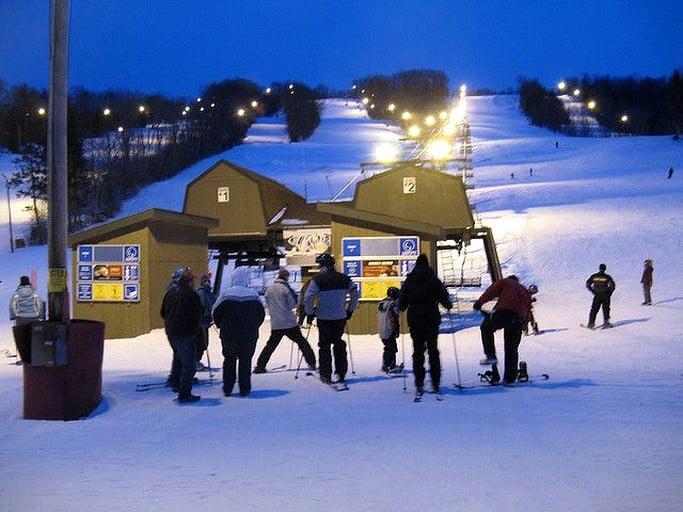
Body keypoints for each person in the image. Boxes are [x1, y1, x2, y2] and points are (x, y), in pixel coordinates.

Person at [398, 254, 453, 397]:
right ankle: (435, 382)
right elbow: (444, 298)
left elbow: (402, 301)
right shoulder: (433, 279)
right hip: (431, 317)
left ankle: (419, 383)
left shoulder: (410, 280)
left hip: (415, 318)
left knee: (418, 351)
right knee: (433, 350)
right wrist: (448, 305)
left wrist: (401, 308)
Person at [304, 253, 359, 386]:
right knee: (338, 344)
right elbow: (355, 294)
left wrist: (310, 312)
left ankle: (325, 374)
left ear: (322, 265)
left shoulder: (317, 279)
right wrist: (350, 310)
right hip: (340, 317)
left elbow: (308, 297)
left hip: (323, 317)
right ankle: (341, 373)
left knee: (324, 346)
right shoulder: (344, 278)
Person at [213, 266, 265, 397]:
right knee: (246, 360)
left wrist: (221, 325)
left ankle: (228, 388)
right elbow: (261, 314)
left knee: (229, 360)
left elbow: (216, 312)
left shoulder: (226, 294)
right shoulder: (253, 295)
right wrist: (254, 326)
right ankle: (245, 388)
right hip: (249, 335)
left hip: (229, 334)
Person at [473, 275, 533, 385]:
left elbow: (491, 291)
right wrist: (524, 326)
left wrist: (479, 303)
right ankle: (509, 379)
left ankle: (491, 355)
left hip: (504, 313)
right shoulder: (524, 290)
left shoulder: (506, 282)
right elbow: (528, 310)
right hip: (518, 320)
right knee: (511, 348)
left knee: (486, 327)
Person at [254, 269, 316, 373]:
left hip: (276, 322)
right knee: (302, 342)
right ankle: (312, 362)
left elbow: (267, 303)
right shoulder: (285, 288)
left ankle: (260, 365)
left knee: (270, 345)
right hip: (288, 322)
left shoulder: (269, 289)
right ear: (286, 277)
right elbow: (293, 304)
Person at [160, 268, 203, 403]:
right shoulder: (192, 295)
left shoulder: (171, 292)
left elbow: (162, 312)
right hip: (185, 333)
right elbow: (197, 314)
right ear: (189, 281)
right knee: (189, 364)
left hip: (171, 331)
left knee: (178, 357)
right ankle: (184, 393)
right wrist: (194, 330)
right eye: (192, 280)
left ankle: (175, 381)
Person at [377, 286, 402, 373]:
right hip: (389, 328)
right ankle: (389, 365)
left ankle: (387, 364)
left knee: (388, 347)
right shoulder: (392, 305)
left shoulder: (381, 303)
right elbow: (394, 318)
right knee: (392, 348)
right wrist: (396, 329)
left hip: (381, 329)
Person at [195, 273, 216, 370]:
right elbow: (201, 306)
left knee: (204, 342)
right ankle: (195, 361)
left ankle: (196, 360)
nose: (207, 283)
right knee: (201, 342)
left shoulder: (209, 293)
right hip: (200, 321)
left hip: (206, 321)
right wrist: (204, 315)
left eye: (208, 281)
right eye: (205, 281)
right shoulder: (201, 293)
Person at [585, 263, 616, 328]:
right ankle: (606, 322)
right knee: (606, 309)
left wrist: (593, 291)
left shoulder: (594, 276)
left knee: (594, 309)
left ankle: (591, 323)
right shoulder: (607, 277)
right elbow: (612, 286)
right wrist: (609, 293)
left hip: (597, 295)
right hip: (605, 295)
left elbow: (588, 284)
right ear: (605, 269)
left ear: (599, 268)